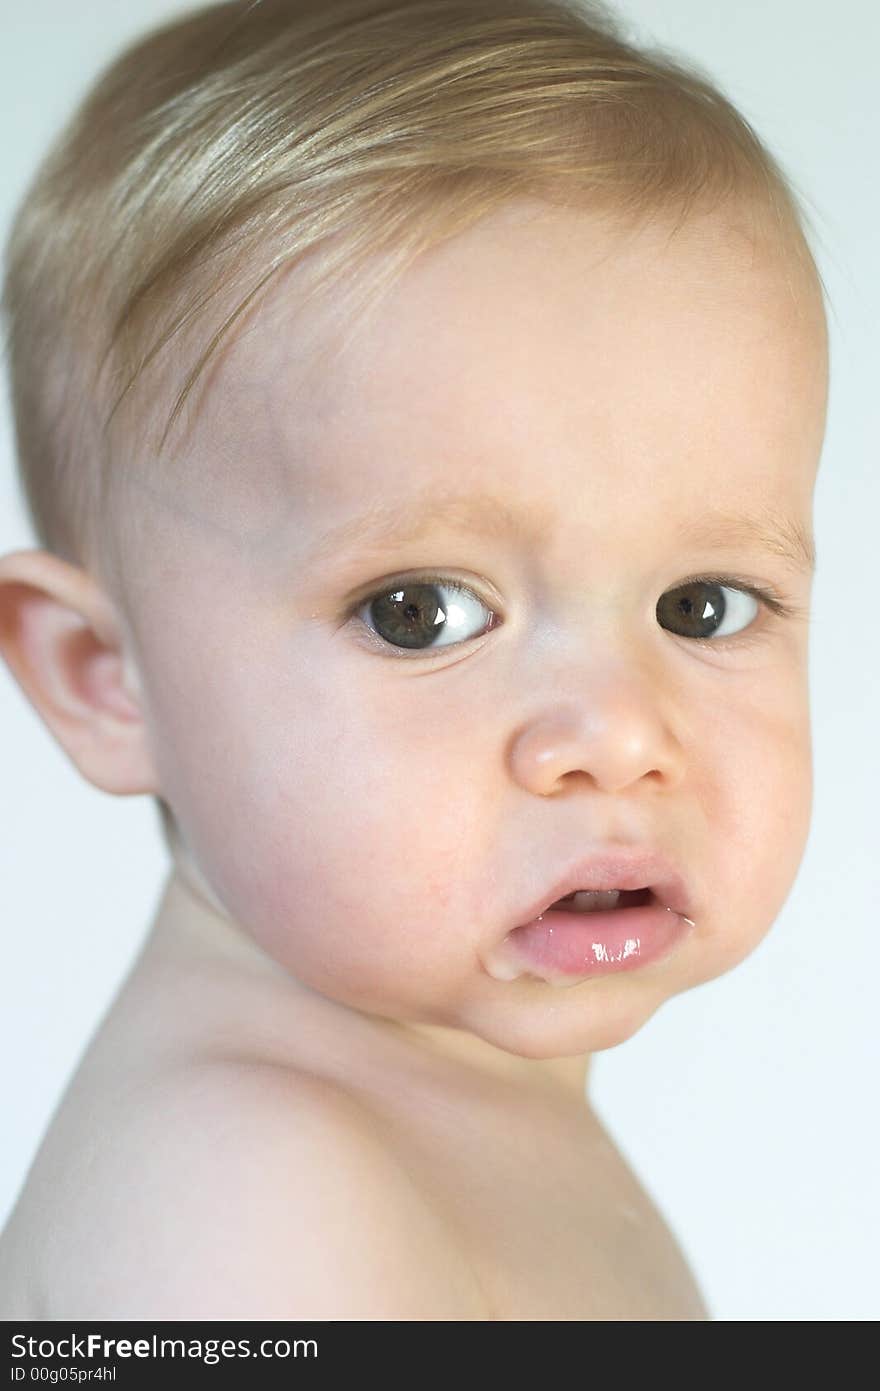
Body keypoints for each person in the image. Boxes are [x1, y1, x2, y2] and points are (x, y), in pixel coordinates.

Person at [0, 0, 828, 1320]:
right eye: (420, 613)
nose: (618, 733)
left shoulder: (414, 1115)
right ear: (108, 674)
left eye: (704, 604)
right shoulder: (247, 1193)